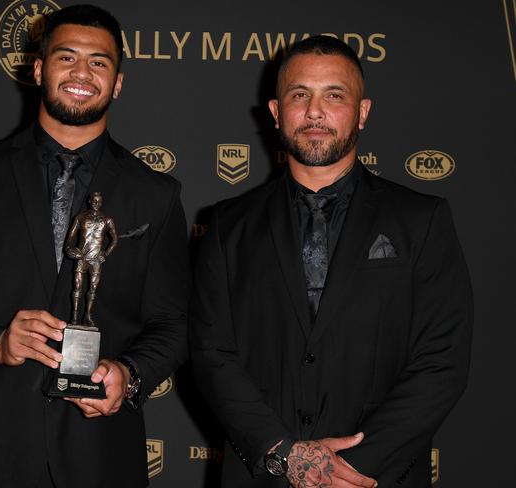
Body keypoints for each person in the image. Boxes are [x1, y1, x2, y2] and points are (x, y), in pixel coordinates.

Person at [0, 4, 189, 488]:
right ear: (39, 68)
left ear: (119, 81)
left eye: (99, 61)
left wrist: (129, 374)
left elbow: (173, 323)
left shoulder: (156, 193)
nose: (82, 72)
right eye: (67, 57)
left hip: (101, 460)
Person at [189, 35, 472, 488]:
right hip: (264, 475)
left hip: (375, 479)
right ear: (277, 113)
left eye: (334, 96)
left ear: (362, 112)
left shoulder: (422, 220)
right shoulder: (227, 225)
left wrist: (357, 466)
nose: (315, 111)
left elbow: (441, 359)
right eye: (299, 95)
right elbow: (211, 354)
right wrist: (284, 453)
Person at [65, 191, 118, 326]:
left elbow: (115, 240)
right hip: (81, 257)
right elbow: (69, 240)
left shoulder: (107, 220)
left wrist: (105, 254)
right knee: (77, 287)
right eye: (94, 201)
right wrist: (70, 249)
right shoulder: (80, 217)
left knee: (92, 289)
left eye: (99, 202)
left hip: (96, 260)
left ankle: (88, 315)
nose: (96, 204)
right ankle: (75, 316)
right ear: (89, 201)